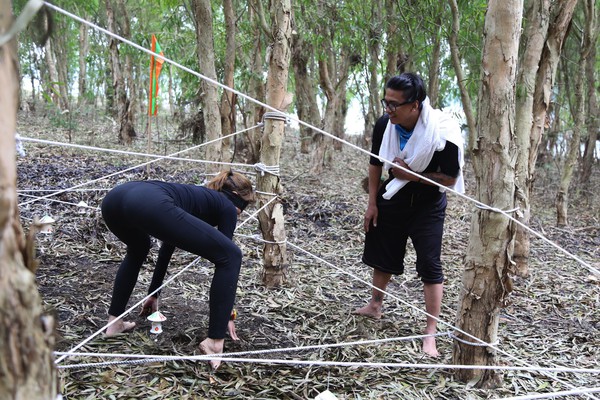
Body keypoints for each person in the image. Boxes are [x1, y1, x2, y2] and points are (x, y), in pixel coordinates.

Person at [354, 73, 464, 357]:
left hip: (427, 204)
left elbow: (450, 179)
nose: (387, 110)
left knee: (429, 263)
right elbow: (375, 163)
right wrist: (372, 202)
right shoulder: (384, 124)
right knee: (383, 254)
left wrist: (412, 175)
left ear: (415, 105)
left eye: (394, 105)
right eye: (385, 102)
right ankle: (375, 304)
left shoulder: (443, 132)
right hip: (392, 198)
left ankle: (431, 331)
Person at [101, 170, 255, 369]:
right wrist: (228, 315)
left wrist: (154, 294)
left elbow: (168, 244)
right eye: (241, 210)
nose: (238, 216)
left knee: (138, 248)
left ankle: (114, 323)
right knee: (232, 256)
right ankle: (214, 344)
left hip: (115, 198)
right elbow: (227, 255)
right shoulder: (226, 205)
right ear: (235, 196)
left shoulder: (195, 198)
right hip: (149, 200)